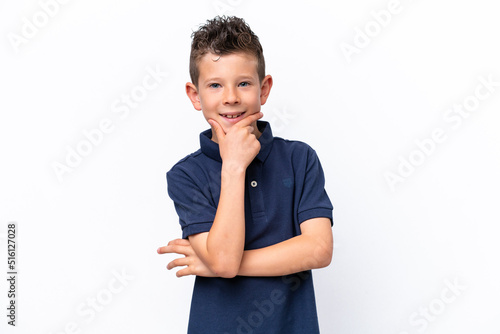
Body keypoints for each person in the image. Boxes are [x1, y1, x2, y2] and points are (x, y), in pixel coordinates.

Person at [157, 15, 334, 334]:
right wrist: (234, 166)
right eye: (214, 85)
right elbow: (223, 259)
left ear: (263, 89)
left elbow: (318, 250)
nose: (231, 98)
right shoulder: (186, 175)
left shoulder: (298, 158)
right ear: (195, 95)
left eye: (243, 83)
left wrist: (213, 267)